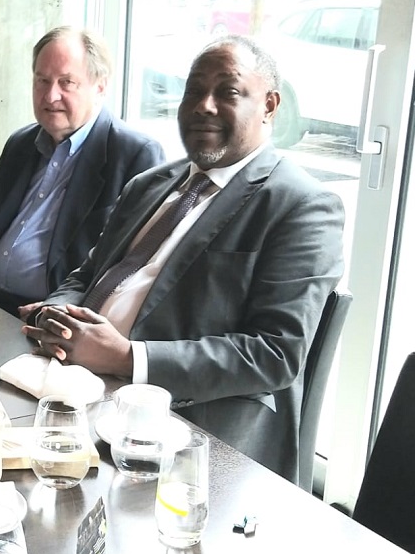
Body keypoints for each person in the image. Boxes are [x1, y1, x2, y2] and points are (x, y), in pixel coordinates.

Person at [24, 36, 345, 483]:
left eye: (227, 92)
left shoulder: (301, 206)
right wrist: (57, 313)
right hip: (78, 390)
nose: (203, 106)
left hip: (189, 433)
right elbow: (88, 274)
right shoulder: (149, 184)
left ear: (269, 106)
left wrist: (127, 358)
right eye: (194, 90)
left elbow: (275, 353)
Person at [0, 26, 166, 318]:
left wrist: (57, 311)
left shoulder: (134, 154)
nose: (50, 96)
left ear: (100, 86)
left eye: (67, 82)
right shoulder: (21, 143)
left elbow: (130, 268)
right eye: (42, 81)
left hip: (52, 319)